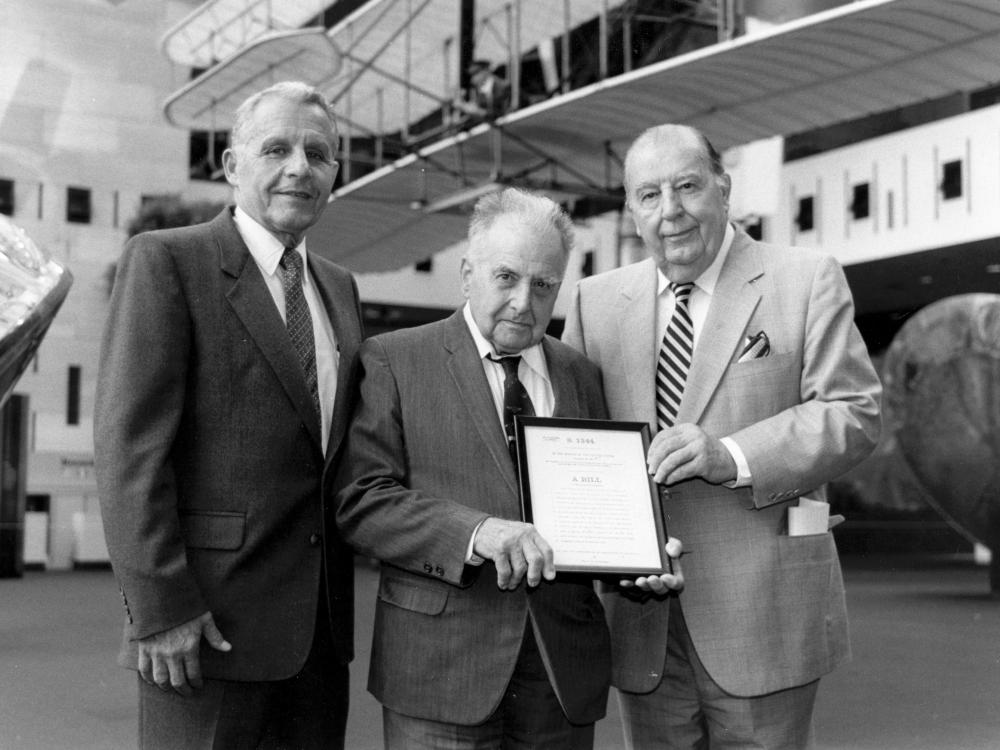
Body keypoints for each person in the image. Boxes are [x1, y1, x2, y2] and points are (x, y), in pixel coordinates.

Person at [562, 124, 882, 749]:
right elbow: (577, 448)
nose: (671, 211)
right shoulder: (593, 302)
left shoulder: (805, 277)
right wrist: (614, 552)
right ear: (630, 210)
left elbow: (853, 410)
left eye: (687, 186)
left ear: (724, 188)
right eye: (649, 195)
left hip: (764, 615)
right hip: (642, 622)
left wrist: (729, 455)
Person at [334, 187, 684, 749]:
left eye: (544, 284)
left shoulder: (581, 375)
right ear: (467, 273)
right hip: (439, 670)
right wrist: (477, 533)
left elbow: (593, 511)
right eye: (506, 277)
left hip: (560, 674)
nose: (524, 301)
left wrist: (636, 564)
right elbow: (362, 500)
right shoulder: (396, 359)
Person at [94, 81, 363, 749]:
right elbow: (130, 452)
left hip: (318, 644)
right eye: (276, 148)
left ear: (335, 173)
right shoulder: (167, 263)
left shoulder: (341, 288)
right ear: (230, 164)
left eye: (318, 153)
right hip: (200, 633)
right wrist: (160, 611)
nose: (300, 167)